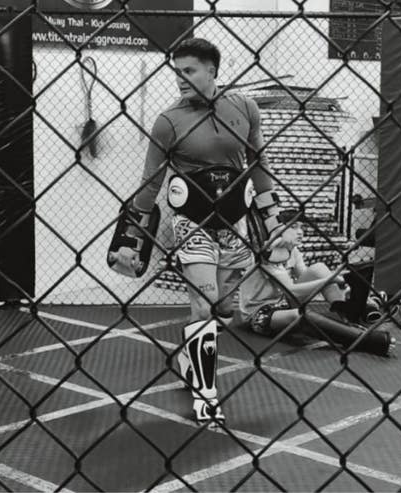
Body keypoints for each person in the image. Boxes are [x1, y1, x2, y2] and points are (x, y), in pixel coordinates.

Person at [111, 38, 289, 428]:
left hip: (234, 225)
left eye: (189, 71)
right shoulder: (168, 121)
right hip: (190, 224)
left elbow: (259, 164)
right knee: (203, 305)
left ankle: (190, 357)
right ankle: (205, 395)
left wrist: (273, 221)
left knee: (221, 309)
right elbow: (149, 183)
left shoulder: (244, 108)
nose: (180, 79)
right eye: (176, 72)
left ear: (212, 70)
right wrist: (131, 238)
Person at [238, 209, 395, 356]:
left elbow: (308, 277)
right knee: (299, 316)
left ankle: (347, 314)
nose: (300, 232)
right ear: (279, 230)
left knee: (319, 268)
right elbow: (292, 290)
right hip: (260, 314)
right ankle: (363, 339)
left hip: (283, 303)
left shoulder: (292, 250)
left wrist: (342, 282)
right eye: (294, 227)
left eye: (302, 227)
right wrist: (331, 279)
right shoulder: (269, 253)